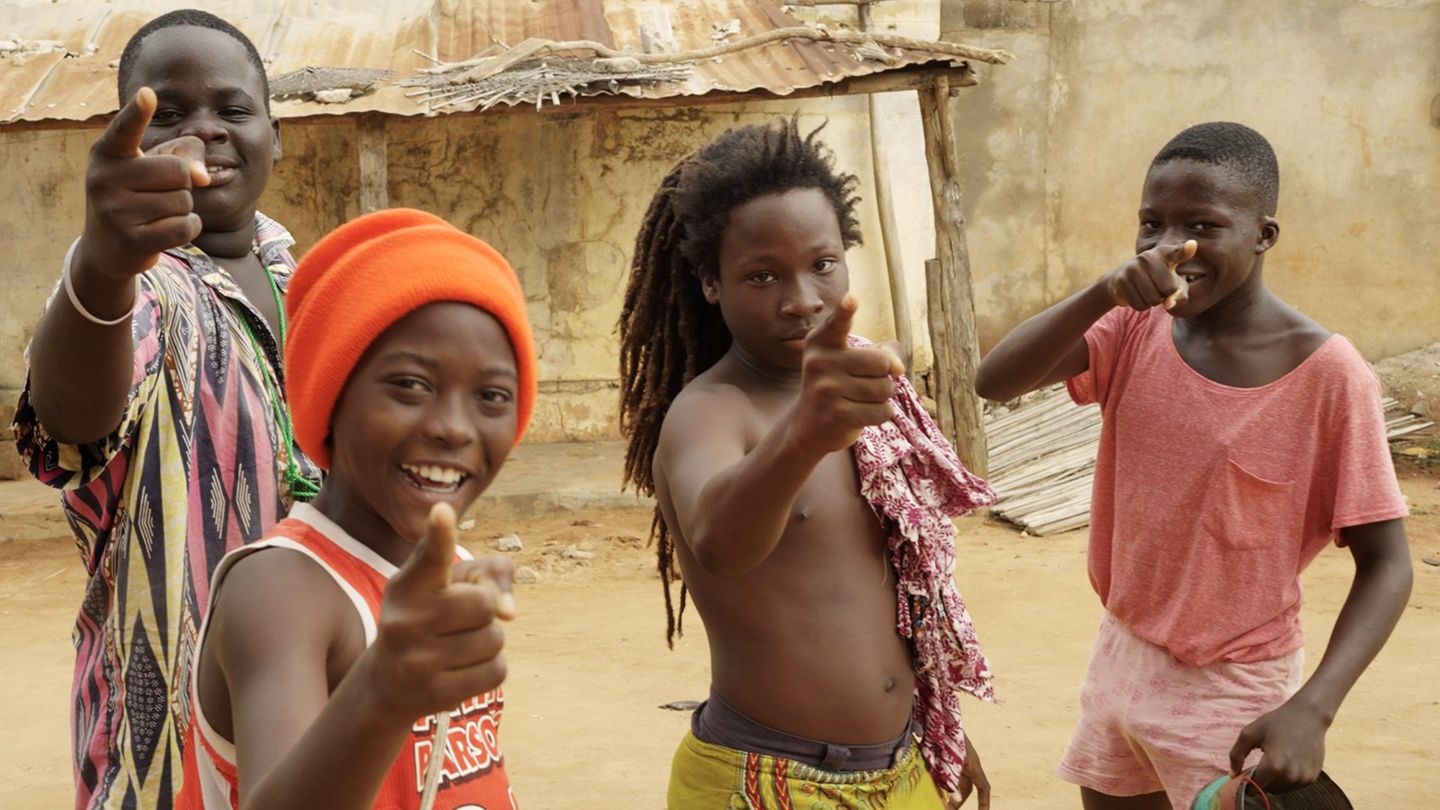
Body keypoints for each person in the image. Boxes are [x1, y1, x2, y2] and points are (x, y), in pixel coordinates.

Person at [973, 122, 1413, 808]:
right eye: (1151, 224)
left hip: (1231, 689)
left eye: (1204, 225)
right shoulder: (1133, 327)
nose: (1170, 247)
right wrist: (1101, 294)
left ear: (1264, 235)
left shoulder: (1329, 376)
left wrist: (1314, 709)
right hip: (1121, 652)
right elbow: (994, 382)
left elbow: (1388, 563)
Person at [618, 118, 997, 809]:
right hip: (766, 779)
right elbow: (719, 542)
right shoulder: (711, 412)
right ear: (710, 281)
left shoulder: (868, 390)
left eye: (822, 264)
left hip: (901, 765)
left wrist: (934, 724)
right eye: (761, 275)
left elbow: (899, 590)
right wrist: (802, 435)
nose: (800, 299)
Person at [9, 10, 321, 808]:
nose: (204, 131)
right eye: (169, 114)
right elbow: (73, 421)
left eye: (232, 109)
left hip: (323, 723)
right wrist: (104, 271)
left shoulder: (307, 278)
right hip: (165, 753)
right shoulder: (137, 288)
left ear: (275, 135)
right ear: (127, 138)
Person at [176, 208, 536, 809]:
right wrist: (383, 689)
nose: (453, 428)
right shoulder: (281, 590)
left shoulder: (446, 576)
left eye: (491, 397)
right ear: (330, 392)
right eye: (410, 385)